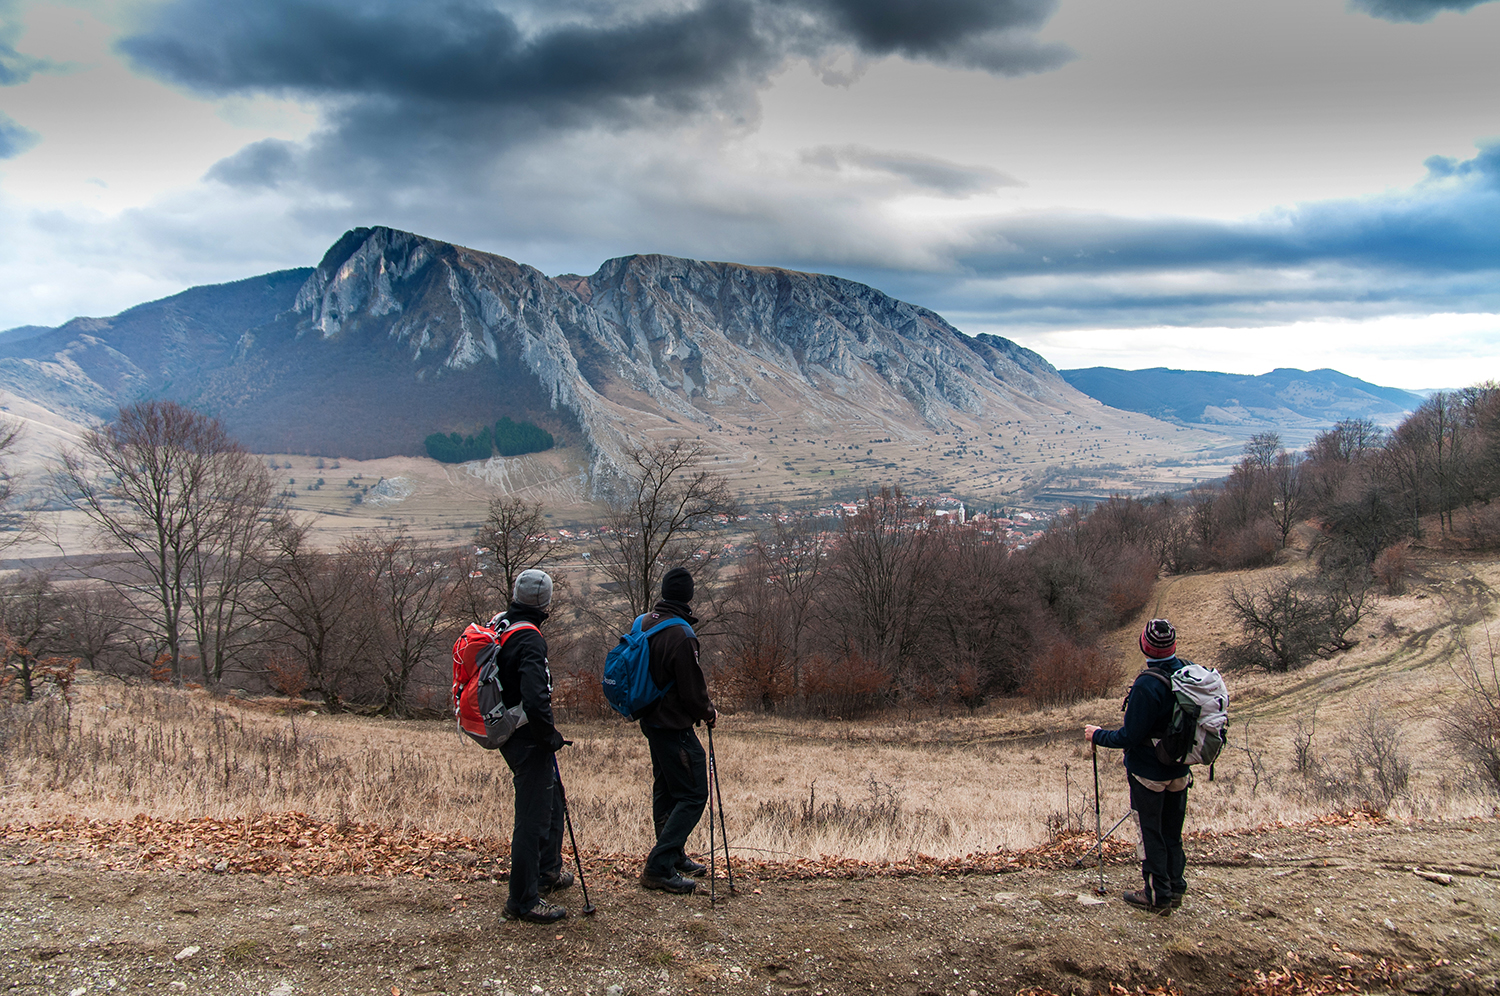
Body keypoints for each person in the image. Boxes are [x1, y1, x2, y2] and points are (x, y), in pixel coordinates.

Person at [1084, 618, 1191, 916]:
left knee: (1150, 832)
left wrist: (1097, 735)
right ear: (1174, 645)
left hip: (1149, 772)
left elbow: (1129, 736)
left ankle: (1157, 895)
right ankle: (1175, 887)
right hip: (1180, 769)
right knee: (1172, 831)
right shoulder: (1187, 672)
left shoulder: (1147, 684)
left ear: (1144, 646)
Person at [495, 569, 572, 924]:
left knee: (552, 801)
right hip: (526, 736)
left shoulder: (502, 624)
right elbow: (535, 697)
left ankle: (547, 872)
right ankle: (523, 900)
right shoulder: (529, 638)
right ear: (545, 602)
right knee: (532, 817)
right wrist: (548, 736)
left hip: (509, 729)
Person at [636, 566, 718, 894]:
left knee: (667, 789)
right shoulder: (682, 635)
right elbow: (692, 692)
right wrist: (708, 712)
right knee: (694, 793)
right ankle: (659, 867)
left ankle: (672, 855)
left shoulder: (645, 622)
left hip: (651, 721)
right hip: (673, 725)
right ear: (688, 596)